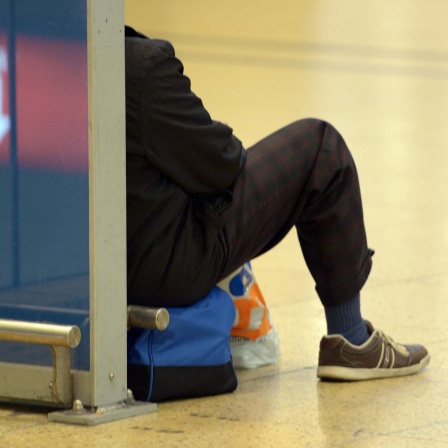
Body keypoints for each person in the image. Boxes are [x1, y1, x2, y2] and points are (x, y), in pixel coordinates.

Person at [124, 26, 430, 381]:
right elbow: (221, 162)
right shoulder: (138, 66)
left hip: (69, 276)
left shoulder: (51, 55)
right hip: (156, 269)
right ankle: (352, 339)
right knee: (320, 149)